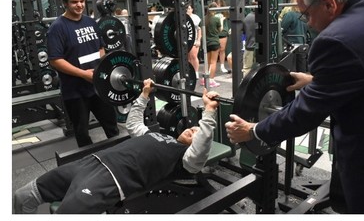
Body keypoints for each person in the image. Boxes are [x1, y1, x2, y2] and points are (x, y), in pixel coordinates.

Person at [225, 0, 364, 214]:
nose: (309, 24)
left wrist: (254, 130)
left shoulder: (334, 40)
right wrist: (317, 80)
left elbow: (304, 113)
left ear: (329, 4)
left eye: (306, 14)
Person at [13, 79, 219, 213]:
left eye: (197, 132)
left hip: (110, 180)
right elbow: (134, 124)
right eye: (193, 127)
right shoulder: (157, 135)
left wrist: (209, 112)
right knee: (23, 196)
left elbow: (201, 149)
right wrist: (144, 94)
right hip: (88, 163)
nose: (193, 129)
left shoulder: (185, 160)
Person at [46, 0, 118, 147]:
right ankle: (90, 165)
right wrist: (83, 74)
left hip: (98, 86)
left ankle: (118, 160)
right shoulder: (57, 28)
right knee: (82, 133)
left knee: (112, 126)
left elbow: (101, 47)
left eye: (82, 1)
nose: (79, 5)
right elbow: (55, 60)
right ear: (65, 3)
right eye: (74, 2)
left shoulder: (91, 22)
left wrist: (100, 67)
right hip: (75, 91)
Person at [203, 2, 222, 88]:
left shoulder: (204, 19)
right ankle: (211, 80)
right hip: (214, 42)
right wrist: (221, 20)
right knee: (213, 62)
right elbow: (220, 30)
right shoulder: (216, 19)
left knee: (207, 62)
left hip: (207, 43)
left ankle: (205, 79)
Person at [186, 4, 203, 79]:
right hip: (186, 40)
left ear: (192, 9)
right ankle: (190, 72)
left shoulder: (195, 18)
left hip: (194, 40)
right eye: (187, 9)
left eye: (189, 9)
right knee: (188, 57)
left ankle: (196, 72)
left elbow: (199, 30)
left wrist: (198, 40)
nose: (188, 10)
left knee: (193, 56)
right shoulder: (183, 18)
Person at [242, 0, 258, 75]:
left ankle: (246, 85)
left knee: (247, 68)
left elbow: (244, 32)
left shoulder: (247, 18)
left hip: (249, 46)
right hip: (259, 48)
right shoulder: (263, 18)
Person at [216, 0, 231, 74]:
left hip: (223, 34)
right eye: (217, 4)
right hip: (215, 34)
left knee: (222, 50)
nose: (218, 6)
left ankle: (222, 66)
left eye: (220, 4)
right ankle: (212, 66)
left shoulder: (225, 13)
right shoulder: (213, 12)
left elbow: (225, 24)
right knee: (215, 50)